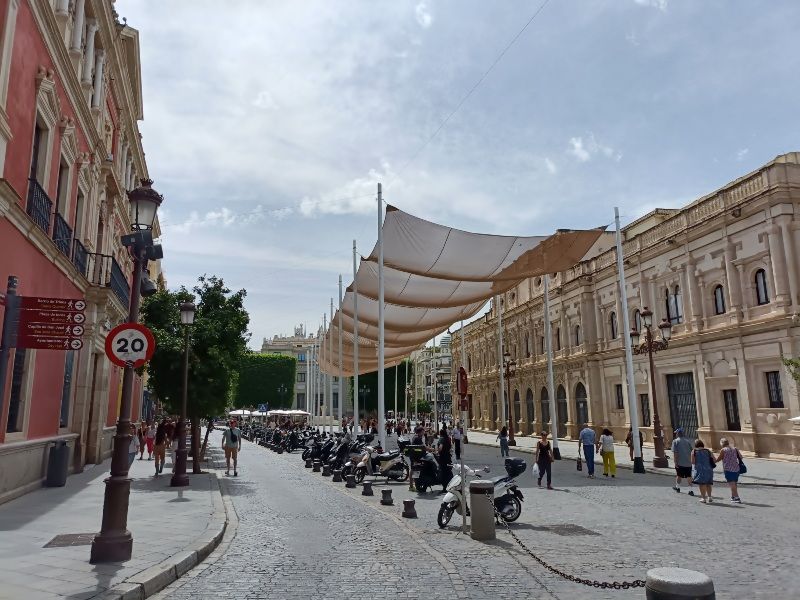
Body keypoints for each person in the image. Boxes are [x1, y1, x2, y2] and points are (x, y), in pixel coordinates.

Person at [716, 437, 743, 503]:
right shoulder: (735, 448)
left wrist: (712, 461)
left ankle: (737, 497)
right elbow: (741, 457)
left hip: (728, 469)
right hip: (736, 468)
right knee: (734, 483)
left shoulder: (723, 450)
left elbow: (719, 459)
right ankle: (733, 497)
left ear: (722, 443)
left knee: (731, 484)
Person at [671, 428, 695, 495]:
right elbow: (692, 451)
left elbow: (675, 452)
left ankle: (678, 487)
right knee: (689, 476)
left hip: (680, 462)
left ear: (677, 434)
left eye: (676, 433)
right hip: (688, 462)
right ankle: (690, 490)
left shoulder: (675, 441)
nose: (675, 434)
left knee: (679, 475)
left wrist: (675, 462)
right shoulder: (688, 441)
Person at [691, 438, 715, 503]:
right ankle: (709, 497)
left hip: (700, 469)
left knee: (702, 484)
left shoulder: (694, 451)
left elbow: (693, 462)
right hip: (709, 469)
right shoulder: (708, 451)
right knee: (708, 483)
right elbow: (714, 460)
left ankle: (703, 498)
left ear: (695, 445)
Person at [436, 424, 452, 492]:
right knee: (448, 471)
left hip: (443, 458)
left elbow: (440, 447)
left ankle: (444, 487)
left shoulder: (442, 438)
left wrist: (437, 451)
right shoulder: (448, 438)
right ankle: (450, 485)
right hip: (448, 457)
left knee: (443, 472)